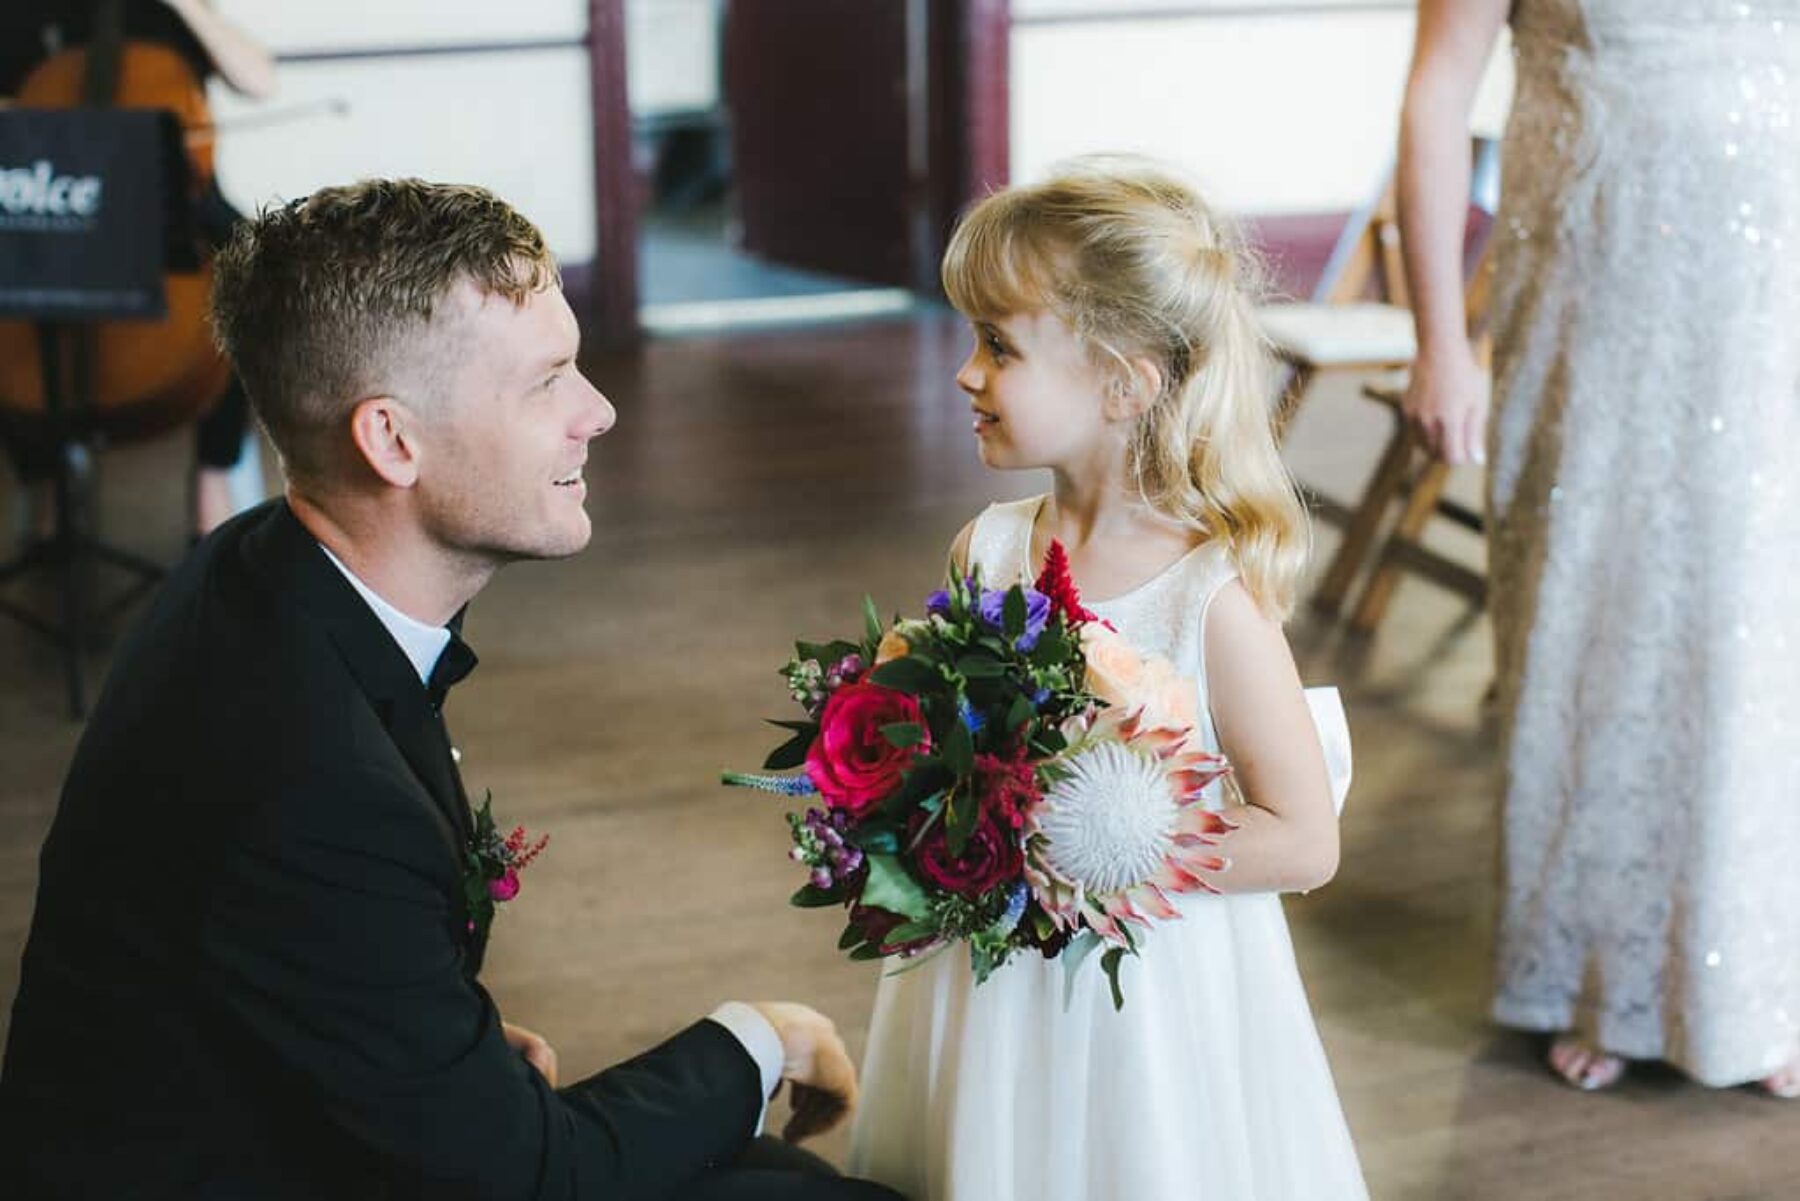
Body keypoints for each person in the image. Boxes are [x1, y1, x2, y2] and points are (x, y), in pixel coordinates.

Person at [0, 178, 904, 1200]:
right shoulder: (309, 779)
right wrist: (763, 1038)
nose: (598, 412)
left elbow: (290, 960)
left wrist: (412, 1035)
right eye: (548, 380)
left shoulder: (254, 565)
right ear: (391, 441)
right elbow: (529, 1179)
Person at [845, 156, 1366, 1200]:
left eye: (999, 345)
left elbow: (1303, 837)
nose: (966, 373)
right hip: (991, 974)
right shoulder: (987, 550)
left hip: (1151, 995)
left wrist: (1099, 844)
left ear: (1124, 383)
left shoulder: (1208, 596)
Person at [1397, 0, 1800, 1095]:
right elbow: (1439, 87)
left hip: (1776, 287)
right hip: (1596, 283)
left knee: (1767, 614)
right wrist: (1440, 338)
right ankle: (1595, 969)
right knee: (1595, 610)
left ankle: (1763, 977)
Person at [0, 0, 278, 537]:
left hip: (174, 204)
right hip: (63, 203)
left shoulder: (168, 12)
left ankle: (214, 470)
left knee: (260, 272)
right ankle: (42, 471)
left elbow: (259, 79)